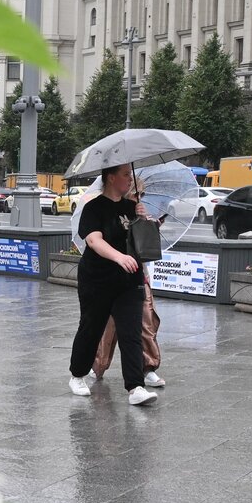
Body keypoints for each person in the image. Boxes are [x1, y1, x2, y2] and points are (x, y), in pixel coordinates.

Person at [67, 163, 158, 406]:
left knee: (131, 333)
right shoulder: (93, 208)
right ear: (110, 178)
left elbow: (144, 242)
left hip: (129, 281)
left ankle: (135, 387)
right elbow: (94, 241)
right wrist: (119, 257)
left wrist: (143, 219)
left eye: (130, 174)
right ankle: (77, 374)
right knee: (91, 328)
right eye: (125, 175)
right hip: (97, 279)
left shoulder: (131, 207)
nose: (130, 179)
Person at [91, 178, 165, 388]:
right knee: (108, 327)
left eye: (142, 194)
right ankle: (98, 365)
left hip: (138, 277)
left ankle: (148, 367)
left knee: (146, 322)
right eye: (136, 194)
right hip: (113, 278)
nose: (139, 198)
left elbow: (147, 247)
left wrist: (147, 223)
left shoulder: (140, 213)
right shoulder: (108, 212)